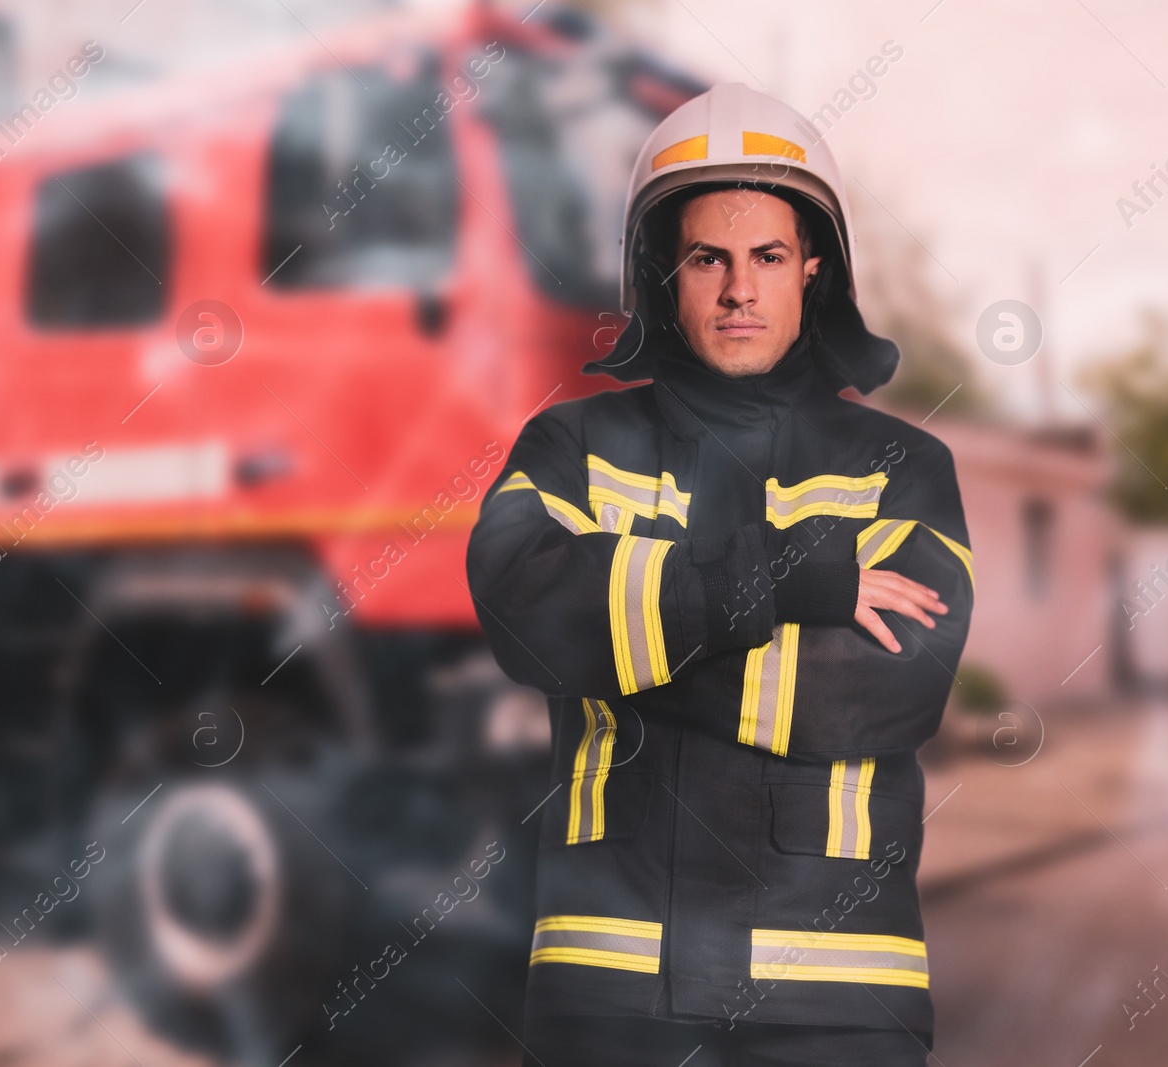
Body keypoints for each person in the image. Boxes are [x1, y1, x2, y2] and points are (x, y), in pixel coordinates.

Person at [464, 83, 974, 1065]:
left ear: (812, 271)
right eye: (708, 258)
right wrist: (790, 582)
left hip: (837, 999)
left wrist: (619, 644)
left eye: (768, 257)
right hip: (606, 991)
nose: (739, 290)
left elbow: (878, 691)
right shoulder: (568, 445)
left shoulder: (902, 468)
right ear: (663, 274)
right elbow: (524, 616)